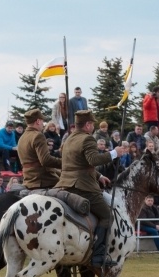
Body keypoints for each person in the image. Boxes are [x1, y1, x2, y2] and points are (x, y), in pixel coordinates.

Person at [54, 110, 127, 268]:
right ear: (87, 125)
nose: (93, 127)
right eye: (92, 124)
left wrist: (99, 176)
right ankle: (99, 255)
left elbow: (79, 164)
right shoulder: (87, 139)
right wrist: (115, 153)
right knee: (107, 216)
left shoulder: (69, 139)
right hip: (82, 186)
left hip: (64, 184)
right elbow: (93, 159)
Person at [18, 108, 62, 190]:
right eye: (42, 121)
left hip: (28, 180)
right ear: (38, 121)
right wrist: (65, 162)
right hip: (43, 180)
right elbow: (46, 160)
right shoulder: (38, 136)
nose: (43, 124)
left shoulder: (22, 138)